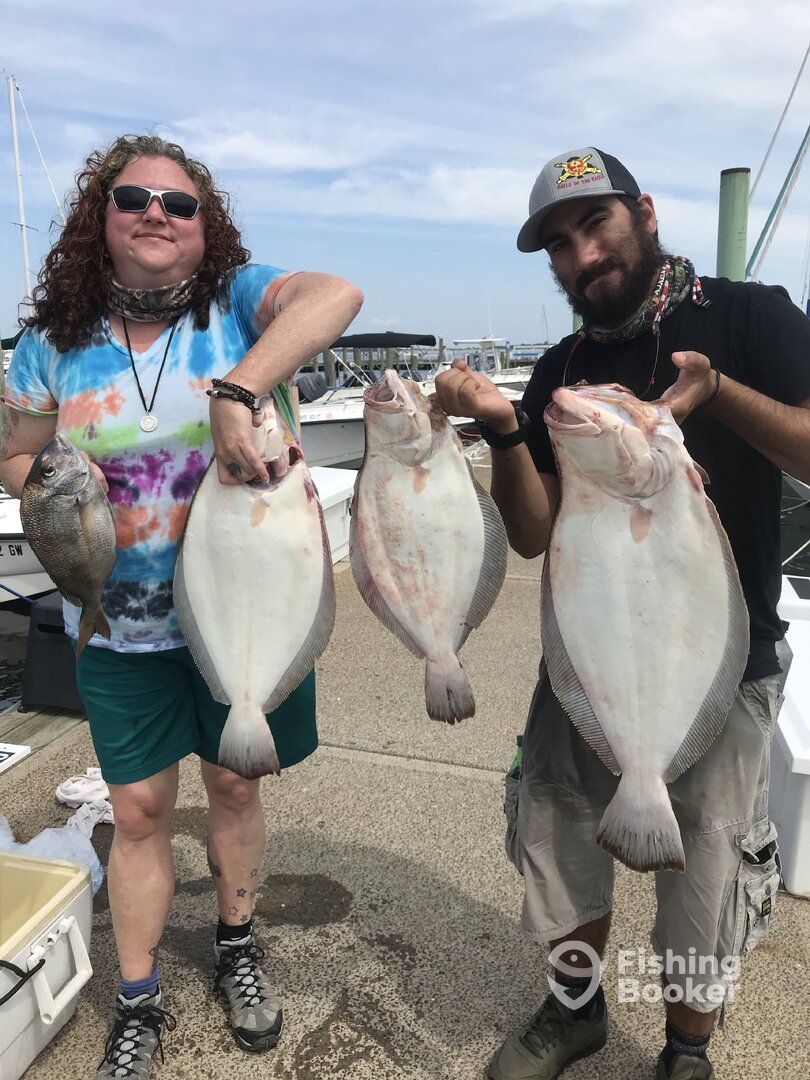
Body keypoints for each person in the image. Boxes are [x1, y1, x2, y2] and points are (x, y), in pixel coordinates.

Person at [435, 146, 810, 1080]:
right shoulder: (561, 367)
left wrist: (718, 392)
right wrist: (506, 431)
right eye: (559, 245)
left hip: (722, 663)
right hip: (591, 658)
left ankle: (686, 1049)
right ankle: (575, 1012)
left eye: (594, 224)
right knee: (559, 836)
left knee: (708, 873)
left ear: (644, 214)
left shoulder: (750, 315)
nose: (582, 255)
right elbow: (532, 533)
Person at [0, 134, 363, 1078]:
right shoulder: (51, 342)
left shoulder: (238, 304)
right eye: (133, 198)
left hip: (252, 607)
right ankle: (137, 995)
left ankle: (237, 944)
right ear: (101, 218)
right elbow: (15, 450)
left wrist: (241, 388)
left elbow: (337, 295)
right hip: (119, 625)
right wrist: (49, 487)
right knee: (139, 810)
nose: (156, 213)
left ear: (208, 227)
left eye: (180, 203)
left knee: (236, 785)